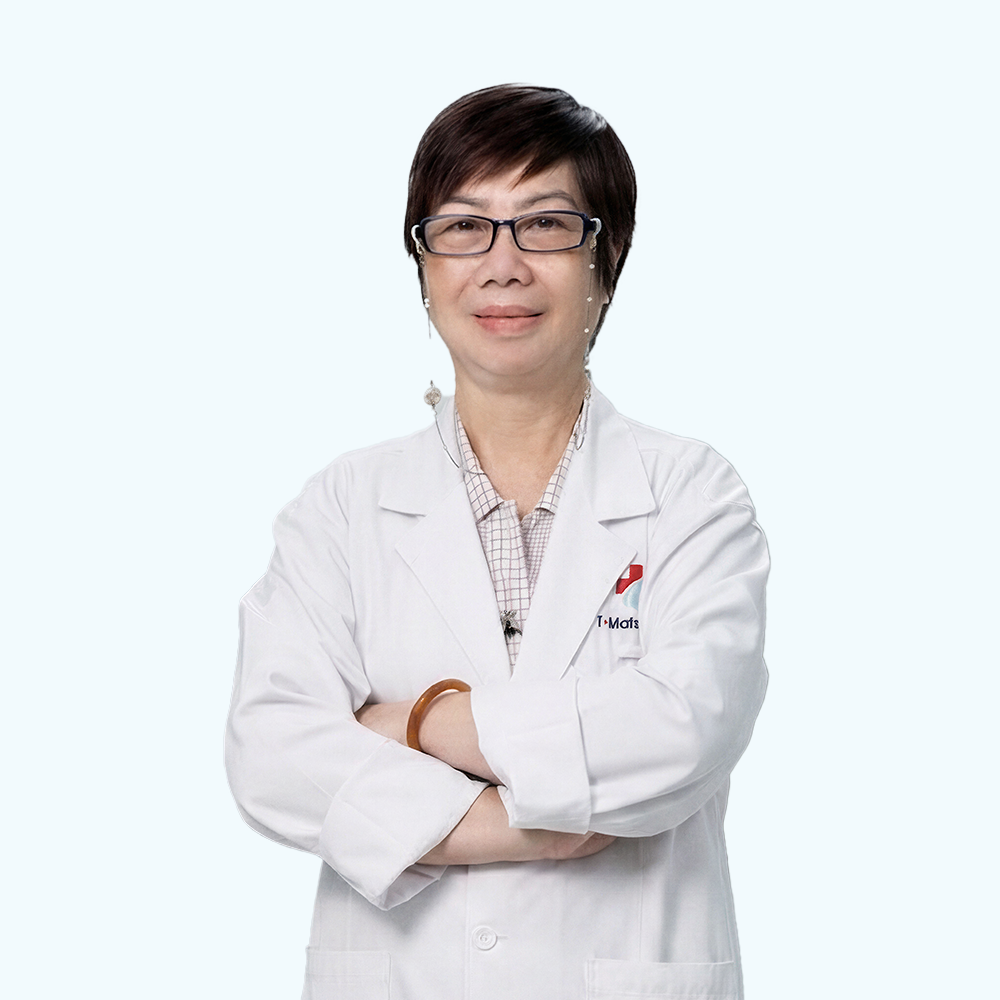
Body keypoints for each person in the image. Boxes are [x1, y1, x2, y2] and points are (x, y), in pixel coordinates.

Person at [225, 84, 769, 1000]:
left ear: (608, 259)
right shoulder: (344, 506)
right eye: (464, 227)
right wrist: (529, 827)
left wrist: (414, 723)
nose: (502, 265)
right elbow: (272, 754)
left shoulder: (690, 494)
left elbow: (680, 730)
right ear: (423, 265)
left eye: (546, 224)